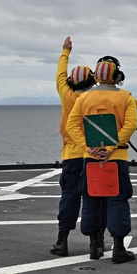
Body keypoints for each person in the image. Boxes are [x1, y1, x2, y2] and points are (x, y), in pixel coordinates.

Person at [66, 55, 137, 263]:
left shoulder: (84, 98)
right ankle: (118, 248)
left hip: (90, 159)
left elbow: (72, 126)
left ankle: (94, 246)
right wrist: (110, 147)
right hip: (116, 159)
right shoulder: (125, 97)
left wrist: (88, 147)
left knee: (91, 199)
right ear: (117, 76)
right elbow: (130, 125)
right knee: (117, 200)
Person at [49, 37, 95, 257]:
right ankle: (96, 242)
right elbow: (126, 102)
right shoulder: (96, 98)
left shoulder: (67, 95)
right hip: (94, 155)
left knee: (69, 197)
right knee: (95, 198)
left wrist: (65, 51)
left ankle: (62, 241)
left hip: (71, 156)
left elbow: (59, 74)